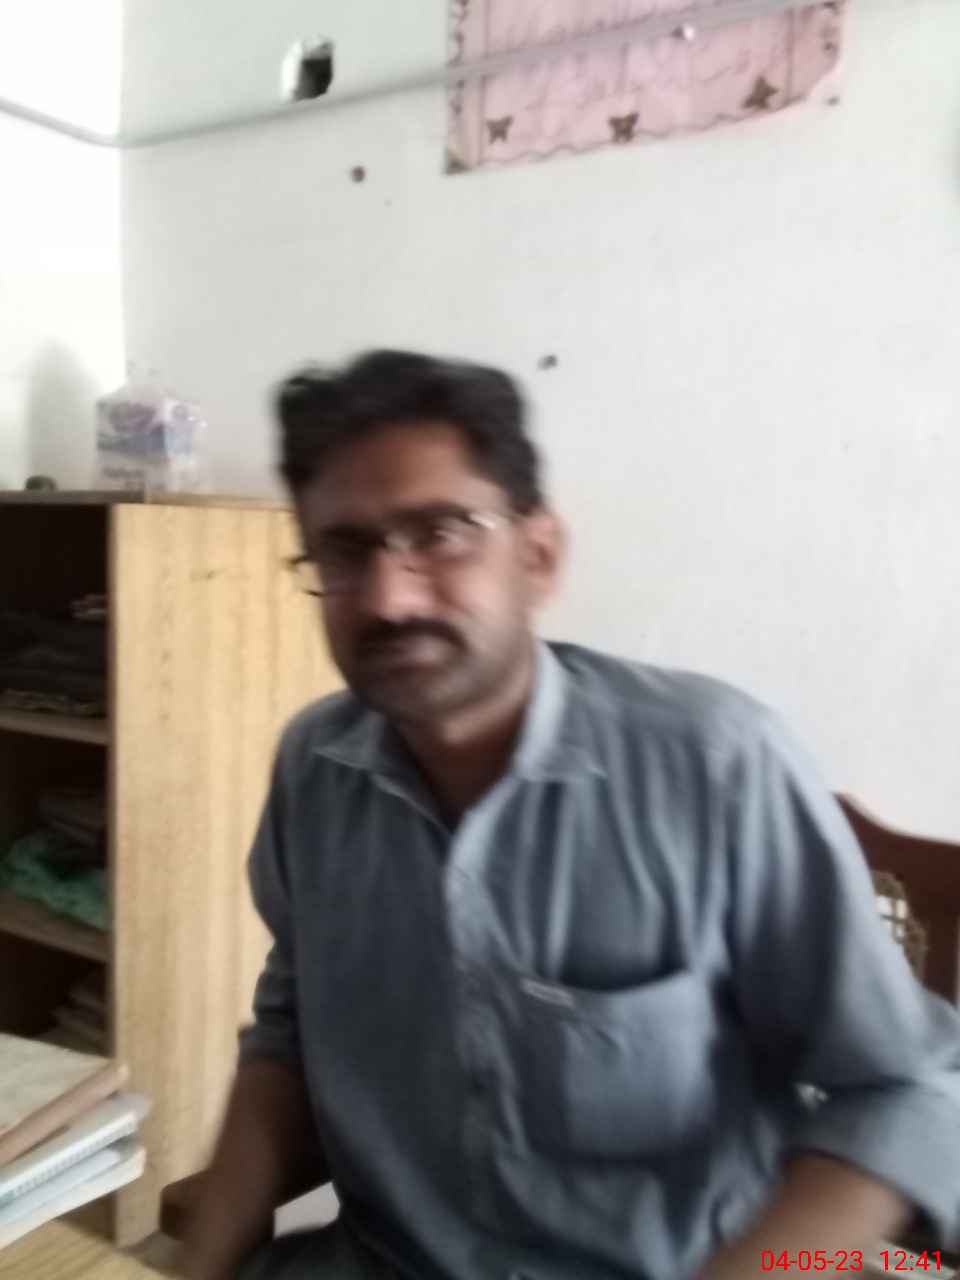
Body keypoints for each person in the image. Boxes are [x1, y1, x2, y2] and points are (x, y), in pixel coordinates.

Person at [183, 351, 960, 1280]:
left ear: (538, 556)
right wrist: (197, 1265)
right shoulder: (315, 769)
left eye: (441, 533)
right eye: (345, 552)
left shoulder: (715, 767)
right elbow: (289, 1032)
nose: (390, 597)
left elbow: (902, 1091)